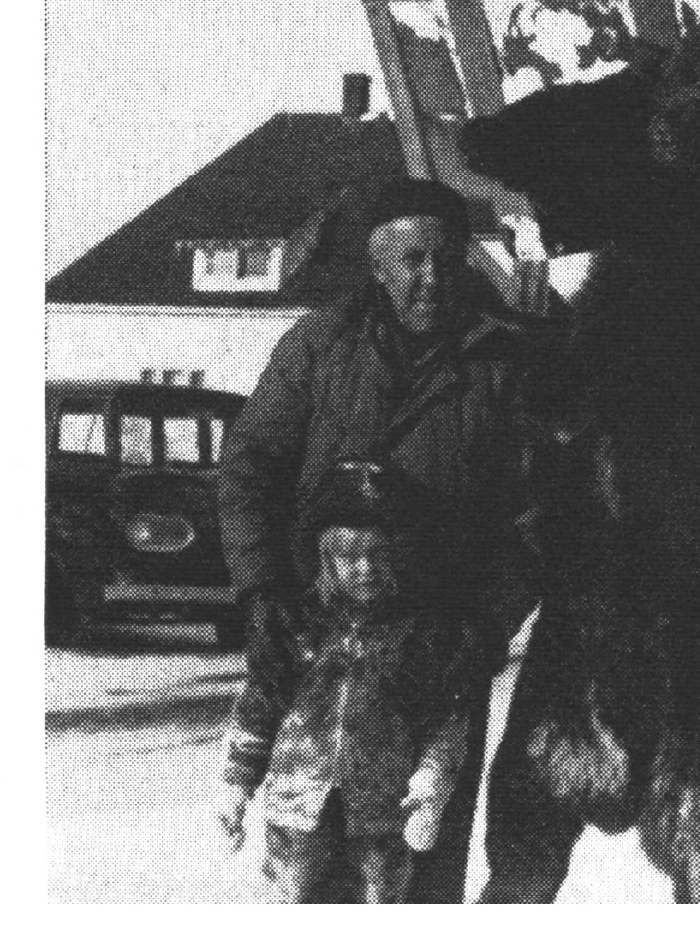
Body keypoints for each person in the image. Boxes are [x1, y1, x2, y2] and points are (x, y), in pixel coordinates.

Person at [219, 175, 539, 901]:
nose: (432, 276)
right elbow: (247, 471)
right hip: (317, 644)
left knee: (419, 866)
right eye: (413, 259)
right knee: (308, 858)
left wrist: (487, 625)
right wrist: (262, 589)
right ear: (377, 265)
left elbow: (535, 517)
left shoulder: (500, 364)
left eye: (446, 257)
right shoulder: (318, 348)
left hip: (438, 653)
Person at [213, 461, 490, 902]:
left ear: (400, 554)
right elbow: (259, 706)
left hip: (383, 811)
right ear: (326, 557)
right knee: (291, 899)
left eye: (379, 555)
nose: (365, 568)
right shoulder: (297, 627)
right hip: (297, 805)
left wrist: (431, 781)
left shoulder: (422, 636)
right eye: (349, 556)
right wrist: (236, 784)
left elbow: (445, 719)